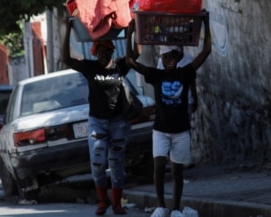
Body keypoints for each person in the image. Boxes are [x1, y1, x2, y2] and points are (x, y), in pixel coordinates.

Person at [126, 15, 211, 217]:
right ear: (162, 59)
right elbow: (130, 61)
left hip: (181, 130)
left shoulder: (185, 72)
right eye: (166, 57)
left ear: (177, 57)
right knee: (158, 165)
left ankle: (175, 209)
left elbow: (206, 50)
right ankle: (161, 206)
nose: (170, 60)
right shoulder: (156, 75)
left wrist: (206, 22)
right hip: (161, 130)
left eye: (173, 56)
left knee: (177, 171)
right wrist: (129, 33)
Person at [61, 18, 131, 215]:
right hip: (97, 123)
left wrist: (132, 32)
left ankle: (117, 203)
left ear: (111, 51)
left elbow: (137, 54)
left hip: (118, 122)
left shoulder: (120, 66)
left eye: (106, 51)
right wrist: (67, 30)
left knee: (116, 163)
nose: (103, 55)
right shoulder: (90, 68)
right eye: (99, 52)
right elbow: (66, 58)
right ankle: (103, 201)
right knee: (98, 161)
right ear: (95, 52)